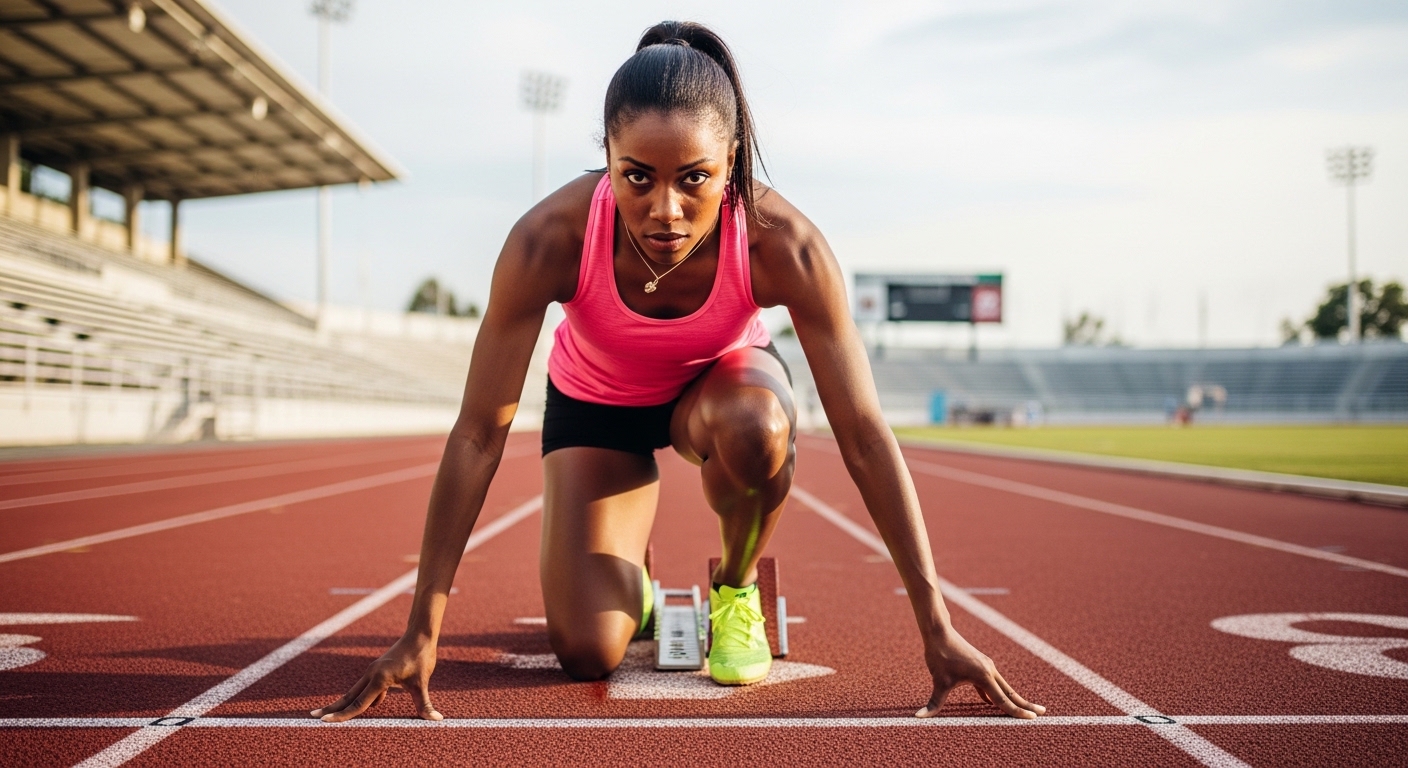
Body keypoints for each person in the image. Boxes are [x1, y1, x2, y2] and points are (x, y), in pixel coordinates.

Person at [314, 20, 1044, 722]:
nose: (664, 210)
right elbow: (478, 434)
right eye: (636, 177)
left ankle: (736, 589)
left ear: (732, 163)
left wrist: (937, 625)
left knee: (759, 427)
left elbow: (862, 431)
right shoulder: (548, 240)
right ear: (607, 155)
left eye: (695, 178)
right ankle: (639, 593)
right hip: (598, 409)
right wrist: (422, 628)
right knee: (586, 651)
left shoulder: (783, 245)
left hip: (717, 393)